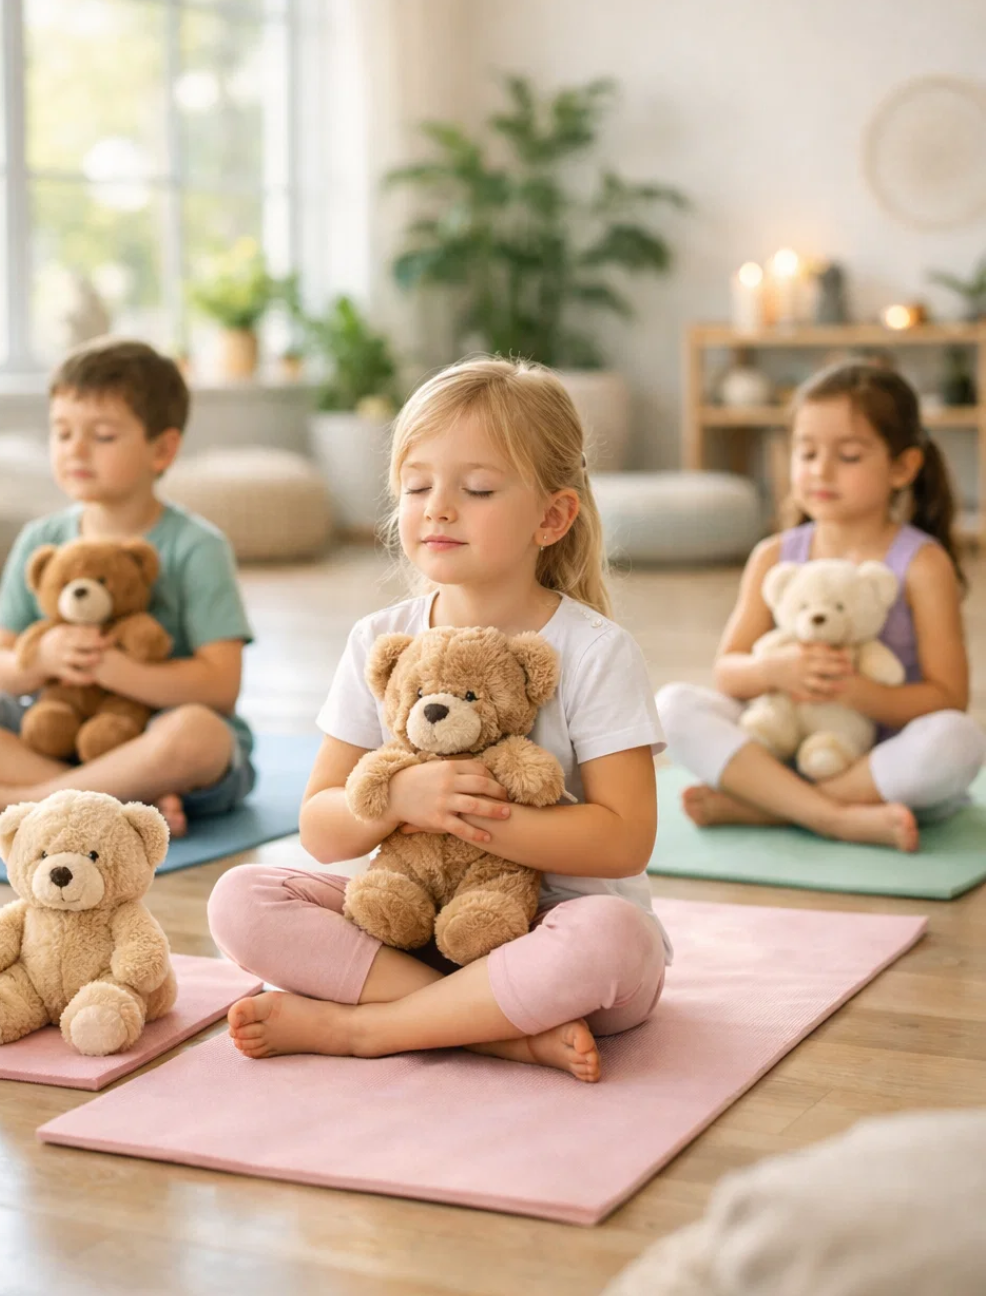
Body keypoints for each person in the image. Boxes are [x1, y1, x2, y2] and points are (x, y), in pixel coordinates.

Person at [208, 358, 668, 1083]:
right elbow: (322, 828)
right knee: (243, 898)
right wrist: (396, 801)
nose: (438, 507)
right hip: (414, 925)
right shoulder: (379, 642)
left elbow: (624, 838)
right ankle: (492, 1032)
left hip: (553, 933)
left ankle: (366, 1031)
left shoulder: (595, 651)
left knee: (615, 938)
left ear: (552, 517)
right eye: (417, 486)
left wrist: (468, 816)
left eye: (477, 488)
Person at [0, 337, 254, 838]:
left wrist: (115, 670)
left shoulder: (198, 546)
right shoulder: (40, 541)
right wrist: (42, 658)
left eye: (103, 435)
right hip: (55, 730)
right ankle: (116, 800)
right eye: (62, 432)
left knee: (199, 735)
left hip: (152, 734)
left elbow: (221, 687)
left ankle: (6, 802)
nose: (75, 449)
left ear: (162, 449)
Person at [657, 361, 985, 852]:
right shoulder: (774, 555)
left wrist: (855, 691)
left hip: (878, 767)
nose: (820, 471)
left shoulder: (922, 563)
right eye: (806, 452)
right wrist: (777, 670)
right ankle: (831, 816)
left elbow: (948, 697)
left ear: (903, 467)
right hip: (784, 743)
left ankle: (769, 807)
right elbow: (729, 672)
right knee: (670, 707)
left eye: (848, 455)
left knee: (958, 740)